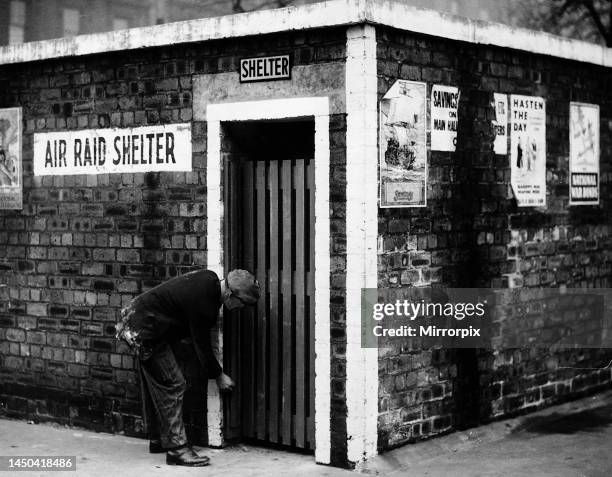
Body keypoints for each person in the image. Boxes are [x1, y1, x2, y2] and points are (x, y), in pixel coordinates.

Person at [115, 268, 260, 467]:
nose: (240, 308)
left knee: (158, 385)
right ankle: (177, 449)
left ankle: (158, 439)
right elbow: (201, 345)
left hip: (135, 319)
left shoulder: (209, 279)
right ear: (231, 294)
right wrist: (218, 375)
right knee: (173, 385)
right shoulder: (206, 304)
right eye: (242, 303)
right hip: (144, 330)